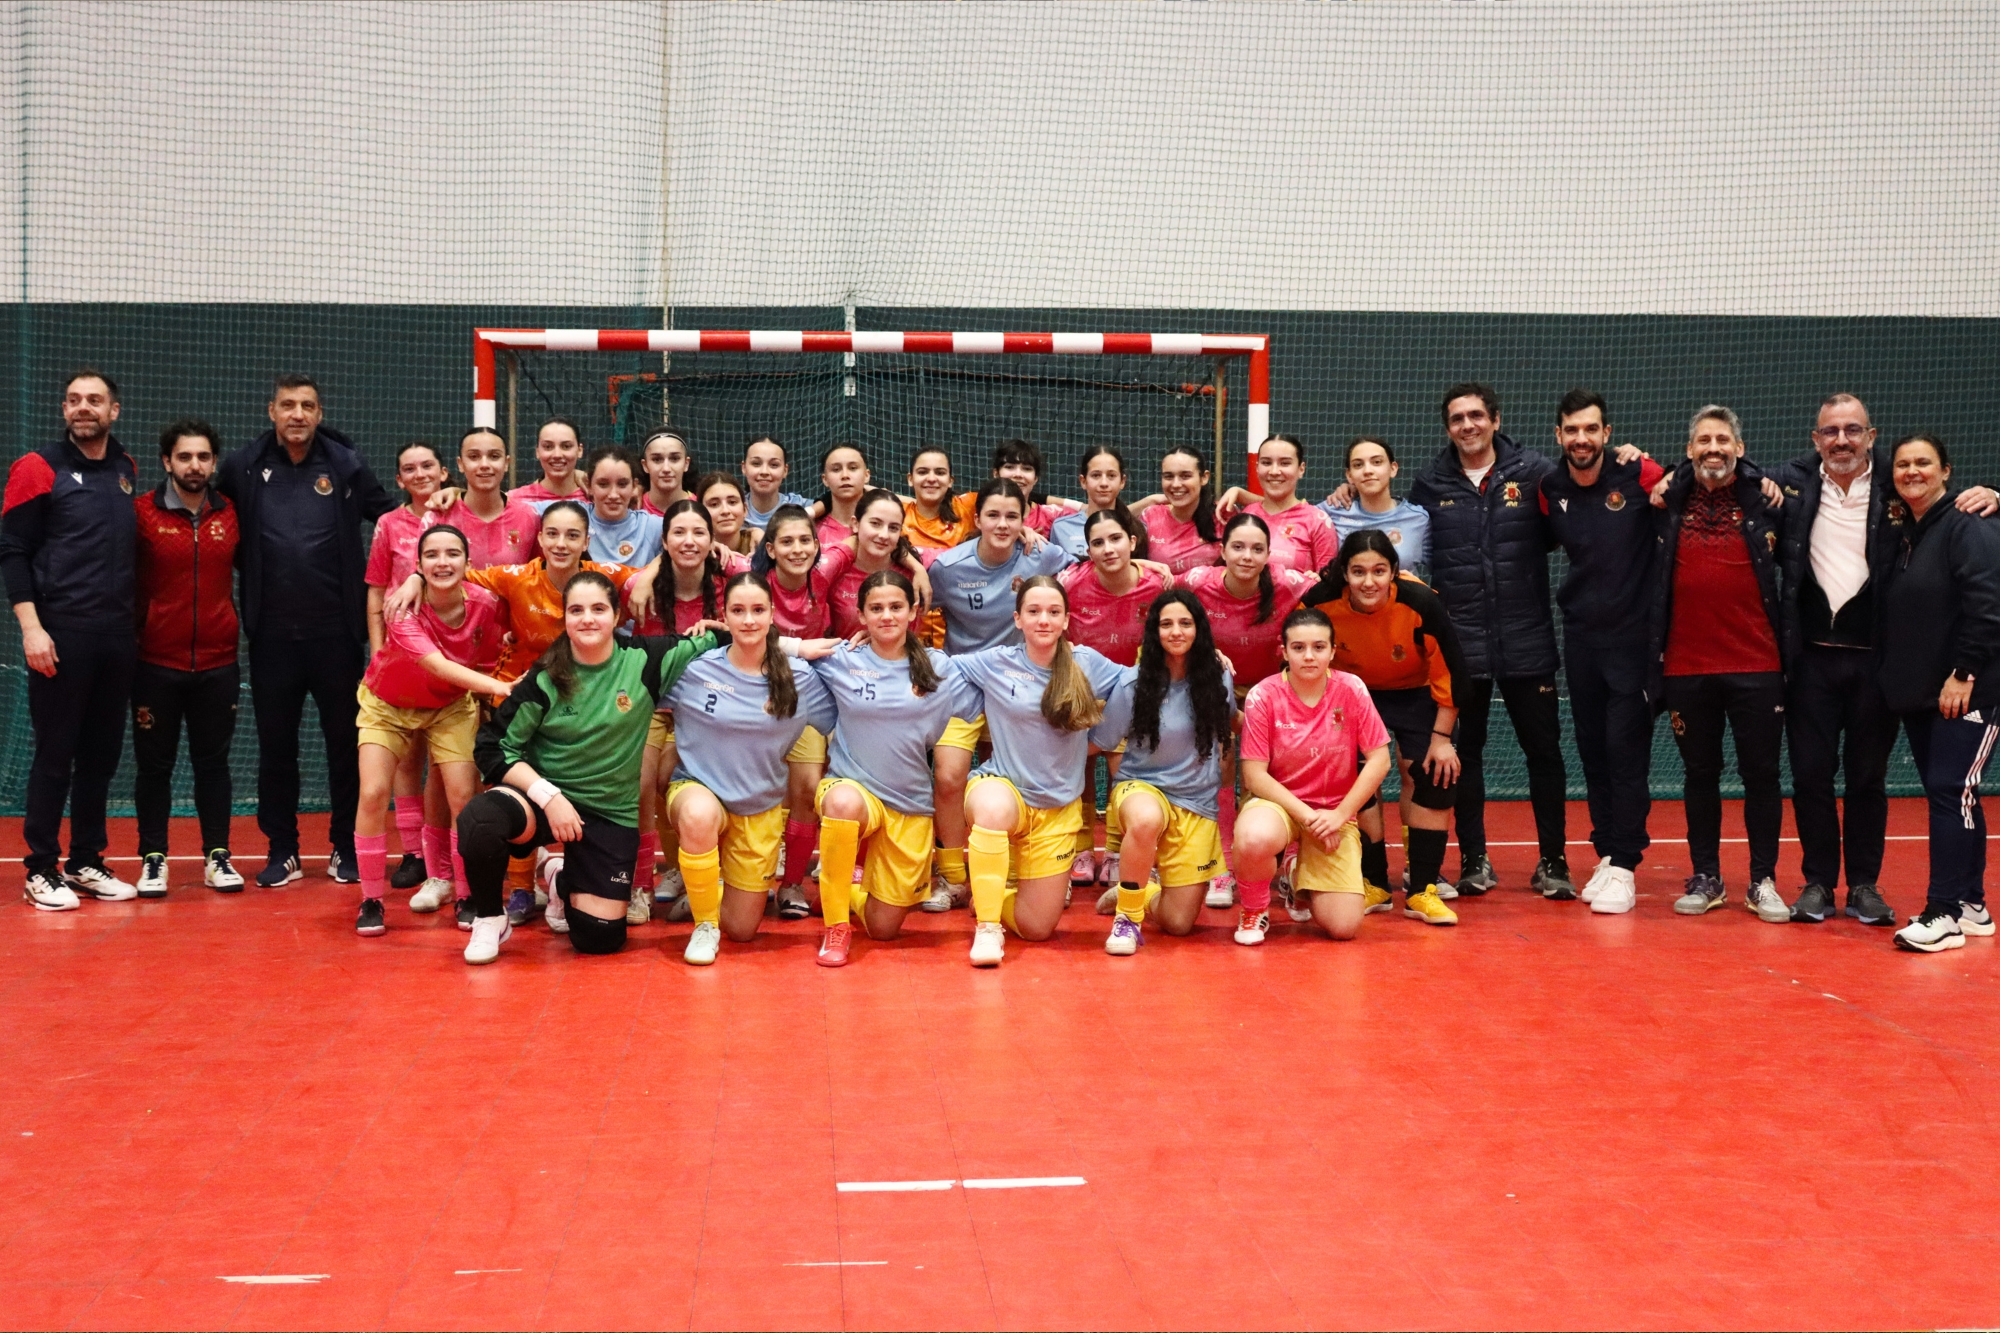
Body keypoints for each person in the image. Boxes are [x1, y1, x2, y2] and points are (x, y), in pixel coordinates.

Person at [1771, 395, 1997, 927]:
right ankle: (1818, 883)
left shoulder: (1897, 493)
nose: (1842, 440)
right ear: (1815, 438)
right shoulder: (1794, 487)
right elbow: (1729, 466)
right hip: (1812, 664)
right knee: (1809, 775)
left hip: (1878, 665)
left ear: (1871, 437)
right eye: (1831, 431)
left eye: (1854, 430)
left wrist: (1995, 494)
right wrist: (1668, 474)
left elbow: (1958, 522)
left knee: (1868, 778)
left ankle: (1866, 885)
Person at [386, 499, 651, 923]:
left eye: (572, 535)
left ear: (587, 540)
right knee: (510, 795)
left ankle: (570, 878)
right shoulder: (515, 577)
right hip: (517, 699)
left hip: (579, 703)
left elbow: (649, 571)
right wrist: (417, 577)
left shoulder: (603, 577)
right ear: (540, 539)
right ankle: (523, 890)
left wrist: (653, 572)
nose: (561, 543)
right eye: (552, 534)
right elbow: (453, 572)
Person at [456, 570, 727, 963]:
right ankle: (489, 919)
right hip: (543, 805)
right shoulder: (545, 677)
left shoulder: (647, 659)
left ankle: (559, 880)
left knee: (599, 939)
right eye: (576, 610)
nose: (587, 619)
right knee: (480, 822)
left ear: (617, 616)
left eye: (599, 609)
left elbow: (731, 637)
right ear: (564, 618)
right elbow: (493, 749)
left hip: (609, 813)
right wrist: (549, 798)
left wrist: (716, 627)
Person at [214, 374, 396, 888]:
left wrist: (437, 506)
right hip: (271, 637)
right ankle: (284, 850)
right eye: (288, 405)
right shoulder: (243, 467)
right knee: (276, 747)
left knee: (345, 745)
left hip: (336, 635)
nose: (297, 414)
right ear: (271, 410)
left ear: (319, 414)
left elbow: (389, 518)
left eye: (308, 406)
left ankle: (345, 848)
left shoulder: (344, 466)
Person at [1406, 383, 1570, 899]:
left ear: (1496, 420)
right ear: (1448, 428)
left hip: (1528, 640)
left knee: (1544, 752)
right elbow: (1393, 526)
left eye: (1476, 415)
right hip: (1463, 646)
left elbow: (1587, 495)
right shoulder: (1429, 485)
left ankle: (1554, 861)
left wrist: (1634, 460)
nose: (1467, 425)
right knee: (1465, 754)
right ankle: (1475, 860)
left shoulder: (1537, 472)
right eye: (1457, 419)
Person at [2, 369, 141, 908]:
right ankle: (40, 869)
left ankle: (85, 861)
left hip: (115, 637)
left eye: (95, 400)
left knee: (101, 757)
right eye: (74, 400)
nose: (83, 408)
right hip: (60, 635)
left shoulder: (125, 469)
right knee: (55, 754)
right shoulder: (37, 467)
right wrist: (32, 628)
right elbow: (13, 551)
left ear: (114, 410)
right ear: (64, 410)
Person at [1647, 405, 1791, 923]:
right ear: (1689, 451)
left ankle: (1762, 880)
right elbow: (1626, 464)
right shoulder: (1665, 502)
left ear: (1740, 448)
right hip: (1686, 667)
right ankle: (1706, 876)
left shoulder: (1766, 499)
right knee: (1699, 773)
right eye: (1703, 440)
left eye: (1723, 439)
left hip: (1757, 663)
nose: (1713, 448)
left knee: (1763, 775)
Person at [953, 576, 1135, 966]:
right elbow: (933, 667)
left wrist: (1100, 740)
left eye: (1053, 612)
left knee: (1037, 928)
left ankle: (992, 898)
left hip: (1056, 808)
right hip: (1003, 788)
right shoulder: (994, 662)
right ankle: (987, 928)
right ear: (1017, 619)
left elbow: (1135, 682)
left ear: (1067, 619)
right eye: (1033, 612)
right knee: (991, 810)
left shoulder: (1086, 664)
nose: (1043, 620)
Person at [662, 572, 837, 965]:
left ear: (773, 615)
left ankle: (703, 888)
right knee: (697, 815)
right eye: (738, 611)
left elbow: (846, 716)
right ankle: (704, 924)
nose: (748, 620)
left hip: (759, 806)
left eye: (758, 610)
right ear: (723, 616)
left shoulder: (800, 679)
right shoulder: (694, 669)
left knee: (742, 931)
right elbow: (636, 693)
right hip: (698, 788)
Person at [1537, 390, 1666, 914]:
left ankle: (1627, 863)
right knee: (1592, 749)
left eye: (1591, 429)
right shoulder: (1550, 488)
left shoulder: (1640, 474)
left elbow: (1685, 484)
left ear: (1607, 434)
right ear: (1559, 436)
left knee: (1624, 749)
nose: (1581, 439)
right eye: (1572, 430)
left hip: (1634, 641)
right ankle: (1608, 852)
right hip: (1582, 638)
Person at [810, 570, 981, 965]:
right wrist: (799, 647)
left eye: (895, 607)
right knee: (841, 805)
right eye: (876, 608)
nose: (886, 615)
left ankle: (845, 892)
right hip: (852, 788)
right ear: (861, 616)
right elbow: (765, 652)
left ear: (912, 613)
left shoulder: (940, 668)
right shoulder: (842, 660)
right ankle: (836, 926)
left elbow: (997, 687)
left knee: (884, 929)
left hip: (911, 804)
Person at [350, 526, 512, 936]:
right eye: (432, 556)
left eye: (453, 554)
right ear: (418, 565)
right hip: (387, 705)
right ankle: (370, 900)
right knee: (372, 793)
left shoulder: (485, 604)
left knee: (463, 797)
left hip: (450, 706)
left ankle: (466, 895)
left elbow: (489, 655)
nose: (443, 562)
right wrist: (497, 689)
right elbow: (436, 663)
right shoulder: (401, 606)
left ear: (468, 563)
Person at [1872, 436, 2000, 953]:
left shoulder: (1969, 524)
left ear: (1946, 470)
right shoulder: (1910, 532)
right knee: (1955, 793)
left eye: (1923, 462)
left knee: (1951, 790)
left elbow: (1989, 605)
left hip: (1968, 691)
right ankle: (1972, 904)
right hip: (1925, 695)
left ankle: (1943, 913)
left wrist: (1964, 672)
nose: (1911, 471)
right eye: (1903, 465)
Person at [926, 480, 1075, 911]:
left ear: (1026, 518)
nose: (1003, 523)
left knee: (1020, 783)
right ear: (977, 519)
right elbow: (915, 604)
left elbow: (1090, 569)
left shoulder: (1042, 556)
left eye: (1013, 515)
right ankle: (954, 878)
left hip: (1020, 686)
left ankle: (1031, 871)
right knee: (950, 777)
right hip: (966, 684)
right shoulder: (948, 567)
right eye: (993, 514)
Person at [1306, 530, 1465, 925]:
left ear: (1394, 571)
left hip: (1417, 693)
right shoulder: (1318, 603)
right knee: (1358, 780)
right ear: (1343, 573)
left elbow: (1455, 673)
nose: (1369, 581)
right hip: (1353, 695)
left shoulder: (1421, 602)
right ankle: (1373, 882)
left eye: (1379, 570)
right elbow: (1298, 653)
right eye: (1358, 571)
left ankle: (1422, 890)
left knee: (1431, 774)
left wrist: (1442, 739)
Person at [1181, 512, 1320, 906]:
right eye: (1237, 547)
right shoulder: (1197, 583)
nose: (1246, 556)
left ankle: (1292, 862)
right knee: (1224, 764)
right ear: (1222, 551)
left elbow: (1332, 584)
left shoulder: (1288, 584)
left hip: (1276, 693)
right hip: (1219, 690)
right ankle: (1223, 867)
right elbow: (1155, 590)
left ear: (1268, 554)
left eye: (1257, 548)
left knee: (1279, 770)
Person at [1232, 608, 1394, 944]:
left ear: (1333, 651)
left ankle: (1295, 876)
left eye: (1319, 647)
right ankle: (1255, 910)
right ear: (1284, 650)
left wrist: (1339, 815)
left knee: (1344, 927)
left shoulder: (1352, 689)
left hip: (1333, 813)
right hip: (1278, 806)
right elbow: (1254, 775)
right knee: (1253, 837)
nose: (1309, 656)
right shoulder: (1263, 695)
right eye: (1299, 647)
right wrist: (1307, 817)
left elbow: (1379, 760)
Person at [130, 419, 243, 896]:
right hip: (155, 663)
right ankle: (154, 859)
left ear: (214, 462)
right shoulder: (140, 514)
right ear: (166, 462)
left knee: (212, 764)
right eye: (184, 457)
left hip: (219, 663)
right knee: (154, 767)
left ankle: (218, 856)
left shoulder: (232, 514)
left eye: (202, 457)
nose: (194, 465)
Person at [1092, 591, 1234, 955]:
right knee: (1144, 820)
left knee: (1178, 923)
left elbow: (1231, 723)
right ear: (1153, 631)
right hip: (1143, 788)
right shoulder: (1133, 683)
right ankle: (1127, 919)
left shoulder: (1219, 679)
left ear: (1199, 629)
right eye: (1165, 623)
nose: (1175, 631)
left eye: (1185, 623)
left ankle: (1140, 890)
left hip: (1197, 803)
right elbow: (1100, 741)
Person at [1060, 506, 1169, 888]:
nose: (1108, 549)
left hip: (1135, 694)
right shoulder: (1072, 584)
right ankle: (1083, 849)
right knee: (1079, 768)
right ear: (1087, 549)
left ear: (1132, 542)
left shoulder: (1157, 586)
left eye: (1116, 539)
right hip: (1083, 692)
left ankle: (1120, 852)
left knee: (1125, 769)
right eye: (1097, 542)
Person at [364, 441, 452, 894]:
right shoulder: (388, 524)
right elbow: (377, 591)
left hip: (452, 657)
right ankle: (414, 853)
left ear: (443, 472)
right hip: (401, 659)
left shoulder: (456, 514)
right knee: (406, 758)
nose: (420, 474)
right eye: (409, 469)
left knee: (447, 761)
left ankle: (446, 856)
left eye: (427, 467)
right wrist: (379, 650)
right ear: (398, 480)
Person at [1217, 434, 1339, 576]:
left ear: (1301, 469)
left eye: (1285, 463)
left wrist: (1318, 582)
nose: (1274, 471)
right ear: (1257, 468)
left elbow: (1328, 583)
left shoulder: (1317, 521)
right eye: (1266, 463)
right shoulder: (1246, 515)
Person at [1320, 437, 1430, 581]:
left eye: (1377, 462)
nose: (1368, 471)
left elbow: (1445, 568)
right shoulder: (1330, 512)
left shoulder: (1419, 519)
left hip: (1401, 602)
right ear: (1349, 475)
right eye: (1358, 465)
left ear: (1393, 468)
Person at [436, 427, 542, 570]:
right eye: (474, 457)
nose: (484, 465)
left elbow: (539, 577)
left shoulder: (529, 517)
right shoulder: (439, 517)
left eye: (494, 456)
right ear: (460, 464)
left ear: (506, 463)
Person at [1136, 446, 1221, 576]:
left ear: (1204, 477)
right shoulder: (1150, 516)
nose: (1176, 484)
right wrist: (1149, 500)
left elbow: (1262, 510)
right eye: (1168, 477)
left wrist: (1240, 494)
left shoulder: (1224, 515)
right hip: (1163, 596)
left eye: (1185, 476)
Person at [581, 446, 663, 569]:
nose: (613, 495)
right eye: (603, 484)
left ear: (634, 486)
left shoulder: (653, 527)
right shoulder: (573, 516)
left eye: (622, 484)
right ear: (589, 485)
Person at [1049, 445, 1133, 561]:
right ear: (1083, 481)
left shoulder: (1136, 527)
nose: (1104, 483)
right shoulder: (1061, 528)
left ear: (1122, 481)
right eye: (1096, 475)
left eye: (1111, 475)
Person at [508, 416, 586, 506]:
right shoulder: (514, 501)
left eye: (566, 446)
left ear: (580, 450)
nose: (557, 455)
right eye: (548, 447)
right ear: (537, 451)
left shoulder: (596, 499)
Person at [741, 434, 812, 530]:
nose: (764, 472)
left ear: (785, 470)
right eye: (756, 464)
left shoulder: (797, 506)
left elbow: (831, 501)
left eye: (774, 465)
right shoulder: (733, 508)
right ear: (744, 467)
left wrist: (810, 512)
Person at [814, 444, 873, 546]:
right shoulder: (812, 529)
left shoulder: (885, 526)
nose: (845, 475)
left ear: (866, 475)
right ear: (825, 479)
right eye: (836, 469)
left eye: (853, 468)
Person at [638, 428, 695, 517]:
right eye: (657, 459)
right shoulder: (633, 506)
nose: (666, 468)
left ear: (686, 464)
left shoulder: (702, 507)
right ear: (645, 465)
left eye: (675, 459)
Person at [698, 471, 759, 554]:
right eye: (714, 504)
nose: (725, 511)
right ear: (700, 514)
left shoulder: (760, 547)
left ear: (745, 509)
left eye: (732, 502)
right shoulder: (694, 551)